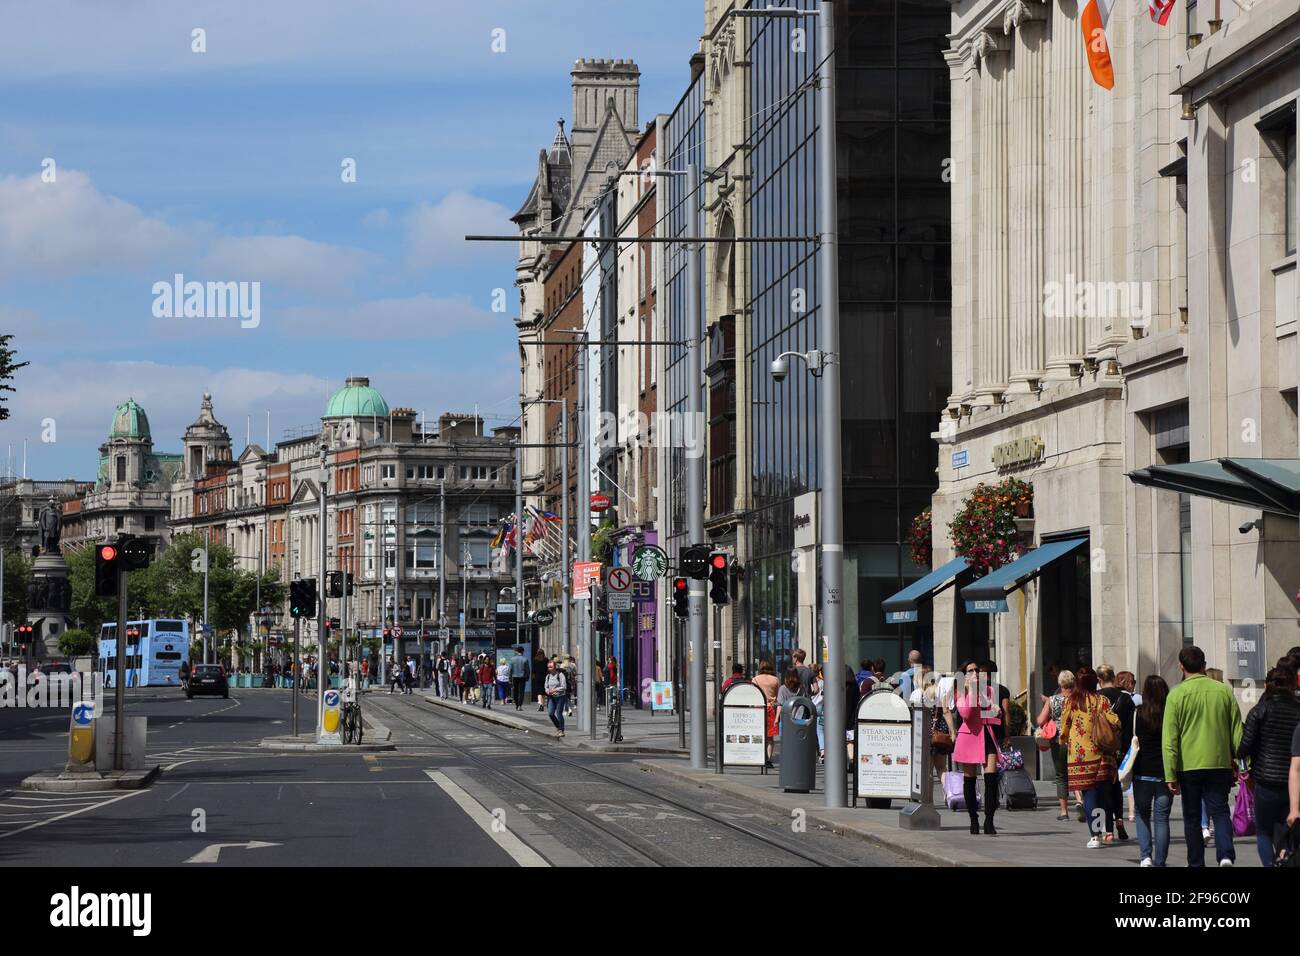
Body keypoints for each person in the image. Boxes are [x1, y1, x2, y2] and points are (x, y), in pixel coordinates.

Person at [1163, 645, 1244, 867]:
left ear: (1181, 666)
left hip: (1188, 765)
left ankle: (1196, 862)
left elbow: (1169, 739)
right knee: (1219, 811)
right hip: (1219, 762)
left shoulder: (1176, 695)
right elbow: (1237, 730)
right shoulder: (1223, 691)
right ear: (1204, 665)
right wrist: (1240, 760)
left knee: (1191, 816)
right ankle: (1226, 854)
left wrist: (1170, 773)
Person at [1238, 663, 1300, 866]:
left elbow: (1244, 747)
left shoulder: (1259, 711)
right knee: (1289, 825)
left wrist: (1243, 767)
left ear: (1268, 686)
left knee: (1263, 830)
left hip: (1264, 780)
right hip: (1293, 782)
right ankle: (1286, 856)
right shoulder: (1298, 711)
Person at [1059, 664, 1122, 848]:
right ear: (1095, 682)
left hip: (1079, 757)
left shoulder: (1071, 701)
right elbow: (1115, 721)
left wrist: (1064, 738)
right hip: (1102, 755)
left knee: (1088, 796)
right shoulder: (1101, 700)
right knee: (1101, 795)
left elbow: (1064, 728)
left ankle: (1094, 836)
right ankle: (1103, 831)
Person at [952, 661, 1000, 836]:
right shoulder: (959, 692)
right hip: (969, 737)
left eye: (976, 669)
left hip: (987, 735)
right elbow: (966, 714)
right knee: (970, 780)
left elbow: (992, 715)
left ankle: (989, 820)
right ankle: (973, 819)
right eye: (970, 670)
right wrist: (971, 691)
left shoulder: (989, 690)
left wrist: (996, 710)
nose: (974, 672)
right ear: (963, 675)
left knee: (991, 779)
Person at [1132, 675, 1172, 867]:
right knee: (1162, 817)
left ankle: (1145, 856)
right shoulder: (1170, 713)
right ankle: (1161, 861)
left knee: (1142, 813)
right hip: (1165, 772)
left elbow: (1127, 739)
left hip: (1142, 770)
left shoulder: (1138, 713)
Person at [1097, 664, 1134, 842]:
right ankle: (1119, 819)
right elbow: (1130, 728)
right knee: (1116, 787)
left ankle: (1108, 830)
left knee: (1104, 789)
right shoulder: (1126, 699)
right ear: (1113, 677)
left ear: (1099, 679)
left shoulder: (1095, 699)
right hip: (1121, 750)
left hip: (1102, 750)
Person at [1036, 668, 1075, 821]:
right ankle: (1081, 802)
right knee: (1078, 773)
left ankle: (1064, 811)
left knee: (1061, 775)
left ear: (1060, 683)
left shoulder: (1052, 700)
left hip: (1058, 741)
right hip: (1076, 740)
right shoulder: (1080, 699)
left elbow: (1040, 720)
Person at [753, 660, 780, 768]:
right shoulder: (775, 680)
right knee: (770, 737)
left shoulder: (755, 679)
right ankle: (768, 758)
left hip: (759, 708)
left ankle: (760, 757)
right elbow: (778, 695)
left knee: (759, 734)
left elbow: (753, 694)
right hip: (771, 709)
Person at [543, 659, 567, 735]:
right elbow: (546, 687)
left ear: (555, 667)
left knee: (559, 713)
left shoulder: (560, 675)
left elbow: (564, 686)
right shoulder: (548, 676)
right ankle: (558, 727)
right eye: (548, 667)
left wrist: (555, 690)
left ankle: (561, 730)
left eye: (551, 667)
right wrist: (548, 691)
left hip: (560, 697)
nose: (549, 668)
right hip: (551, 697)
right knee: (550, 713)